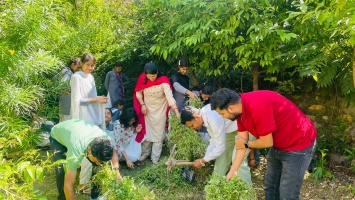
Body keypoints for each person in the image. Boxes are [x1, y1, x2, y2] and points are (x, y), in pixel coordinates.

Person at [210, 88, 317, 200]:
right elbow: (241, 144)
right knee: (271, 186)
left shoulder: (257, 107)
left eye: (222, 113)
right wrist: (233, 171)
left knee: (288, 194)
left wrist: (247, 144)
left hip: (299, 145)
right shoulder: (240, 112)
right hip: (279, 144)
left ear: (231, 108)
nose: (222, 117)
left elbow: (266, 142)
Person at [50, 118, 121, 200]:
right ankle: (63, 197)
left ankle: (95, 196)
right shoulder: (76, 151)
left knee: (100, 168)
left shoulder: (106, 140)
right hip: (58, 136)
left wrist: (116, 171)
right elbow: (68, 185)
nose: (98, 163)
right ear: (89, 150)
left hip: (79, 130)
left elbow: (114, 153)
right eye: (97, 160)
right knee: (61, 172)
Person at [180, 105, 253, 184]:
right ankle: (214, 189)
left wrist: (203, 160)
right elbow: (214, 141)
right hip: (229, 132)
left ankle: (247, 194)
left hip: (246, 127)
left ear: (197, 117)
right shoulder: (204, 116)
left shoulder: (212, 117)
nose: (192, 128)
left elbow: (220, 147)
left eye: (192, 125)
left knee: (238, 161)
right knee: (221, 162)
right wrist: (204, 159)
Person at [134, 62, 180, 164]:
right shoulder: (143, 79)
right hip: (147, 110)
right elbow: (138, 93)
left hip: (160, 110)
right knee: (147, 132)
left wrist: (176, 110)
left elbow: (169, 97)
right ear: (145, 75)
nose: (152, 79)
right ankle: (145, 153)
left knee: (158, 134)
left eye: (153, 76)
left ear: (157, 73)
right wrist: (142, 105)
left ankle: (155, 157)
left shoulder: (164, 81)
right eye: (149, 76)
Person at [70, 53, 108, 130]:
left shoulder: (91, 77)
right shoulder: (76, 77)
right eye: (87, 64)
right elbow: (77, 100)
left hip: (93, 113)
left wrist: (100, 99)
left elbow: (92, 97)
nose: (90, 67)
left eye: (92, 65)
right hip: (82, 115)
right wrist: (96, 99)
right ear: (81, 63)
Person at [58, 58, 80, 122]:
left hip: (64, 102)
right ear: (73, 64)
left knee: (62, 121)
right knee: (66, 121)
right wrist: (74, 91)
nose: (78, 69)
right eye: (78, 67)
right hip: (67, 102)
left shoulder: (66, 71)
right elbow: (63, 86)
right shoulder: (68, 72)